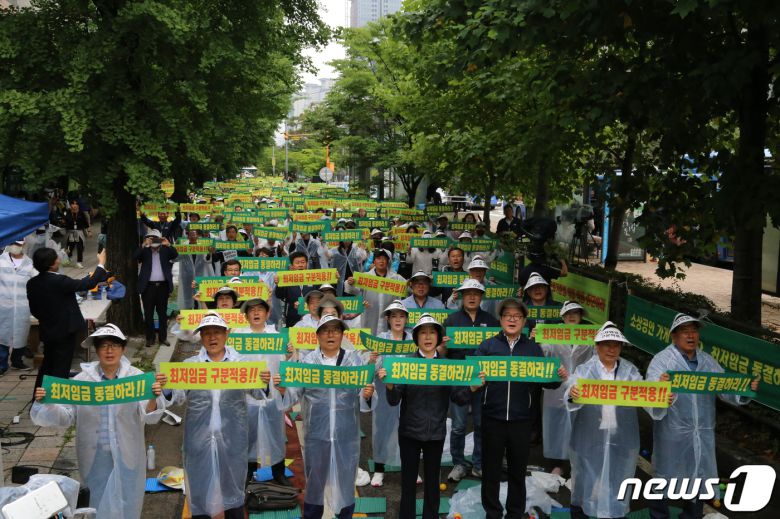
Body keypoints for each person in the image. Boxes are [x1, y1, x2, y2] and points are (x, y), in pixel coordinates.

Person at [31, 324, 166, 519]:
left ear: (123, 348)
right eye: (103, 346)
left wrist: (153, 396)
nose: (109, 351)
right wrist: (48, 402)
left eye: (114, 345)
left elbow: (149, 415)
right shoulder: (82, 380)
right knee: (97, 504)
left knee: (128, 502)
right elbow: (67, 416)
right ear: (96, 349)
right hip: (94, 457)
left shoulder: (136, 378)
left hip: (128, 455)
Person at [645, 313, 759, 519]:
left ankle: (691, 516)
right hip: (673, 433)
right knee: (663, 477)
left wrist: (744, 388)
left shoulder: (707, 362)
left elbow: (726, 388)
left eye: (694, 331)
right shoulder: (662, 361)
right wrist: (660, 391)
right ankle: (658, 515)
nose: (691, 336)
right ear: (674, 336)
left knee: (698, 475)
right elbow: (649, 393)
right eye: (685, 331)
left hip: (702, 432)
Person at [472, 298, 568, 519]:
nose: (512, 319)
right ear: (501, 320)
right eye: (507, 316)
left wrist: (559, 376)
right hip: (492, 418)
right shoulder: (488, 346)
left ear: (524, 321)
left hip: (521, 420)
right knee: (491, 470)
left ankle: (515, 513)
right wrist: (475, 382)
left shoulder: (532, 348)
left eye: (517, 316)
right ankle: (493, 513)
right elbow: (472, 377)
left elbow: (548, 381)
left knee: (517, 471)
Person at [163, 312, 265, 519]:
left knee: (233, 491)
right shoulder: (191, 366)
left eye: (217, 332)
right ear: (201, 337)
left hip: (232, 439)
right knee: (200, 491)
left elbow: (259, 392)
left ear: (226, 334)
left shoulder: (241, 363)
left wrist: (266, 381)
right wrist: (164, 387)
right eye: (207, 333)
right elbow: (177, 396)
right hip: (199, 440)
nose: (212, 338)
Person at [273, 315, 375, 519]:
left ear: (342, 334)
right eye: (326, 330)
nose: (331, 334)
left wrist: (367, 394)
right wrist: (283, 390)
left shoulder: (353, 360)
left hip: (346, 435)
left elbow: (364, 396)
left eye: (336, 330)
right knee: (315, 481)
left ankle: (344, 515)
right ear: (317, 335)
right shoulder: (308, 362)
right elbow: (294, 393)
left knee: (346, 481)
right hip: (317, 434)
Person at [380, 313, 476, 519]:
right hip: (409, 432)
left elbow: (459, 398)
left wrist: (471, 387)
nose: (428, 337)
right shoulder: (406, 364)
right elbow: (394, 399)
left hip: (436, 433)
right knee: (408, 482)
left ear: (439, 337)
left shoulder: (447, 365)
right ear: (416, 338)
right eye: (423, 333)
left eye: (432, 332)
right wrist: (389, 385)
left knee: (432, 482)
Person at [564, 322, 645, 519]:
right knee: (584, 479)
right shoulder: (585, 370)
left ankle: (616, 514)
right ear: (597, 346)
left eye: (616, 345)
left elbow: (645, 393)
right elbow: (571, 389)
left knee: (619, 479)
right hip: (590, 434)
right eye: (606, 344)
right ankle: (579, 512)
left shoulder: (629, 371)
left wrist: (663, 396)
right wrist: (573, 393)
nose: (611, 349)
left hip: (621, 435)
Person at [442, 278, 499, 481]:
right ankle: (458, 463)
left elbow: (498, 350)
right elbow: (441, 353)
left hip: (484, 381)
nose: (472, 297)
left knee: (481, 424)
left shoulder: (492, 322)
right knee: (458, 425)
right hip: (458, 379)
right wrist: (443, 345)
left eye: (476, 294)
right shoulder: (451, 321)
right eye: (468, 294)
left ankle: (478, 464)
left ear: (481, 296)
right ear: (462, 297)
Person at [28, 247, 108, 390]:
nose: (59, 259)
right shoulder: (59, 281)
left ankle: (38, 397)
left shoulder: (33, 283)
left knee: (47, 365)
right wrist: (101, 263)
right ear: (52, 264)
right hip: (64, 331)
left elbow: (34, 309)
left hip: (47, 330)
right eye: (57, 258)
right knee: (61, 367)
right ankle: (57, 401)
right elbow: (87, 285)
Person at [234, 298, 290, 486]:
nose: (256, 313)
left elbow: (286, 365)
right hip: (247, 397)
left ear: (267, 314)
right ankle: (249, 471)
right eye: (252, 310)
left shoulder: (277, 336)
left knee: (276, 435)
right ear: (246, 315)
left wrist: (290, 354)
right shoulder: (238, 337)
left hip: (272, 395)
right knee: (247, 435)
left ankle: (278, 472)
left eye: (260, 310)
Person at [539, 301, 592, 477]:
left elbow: (596, 359)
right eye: (568, 313)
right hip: (556, 389)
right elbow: (544, 352)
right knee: (555, 426)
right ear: (562, 316)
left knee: (580, 427)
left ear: (580, 316)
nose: (571, 316)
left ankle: (577, 464)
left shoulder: (588, 335)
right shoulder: (553, 332)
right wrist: (538, 340)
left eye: (575, 313)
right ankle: (557, 463)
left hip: (580, 389)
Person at [370, 300, 412, 487]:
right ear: (388, 319)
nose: (397, 320)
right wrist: (375, 361)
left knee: (409, 430)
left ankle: (410, 468)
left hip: (410, 393)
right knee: (382, 429)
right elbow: (375, 368)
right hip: (385, 391)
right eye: (393, 316)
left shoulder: (412, 339)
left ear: (406, 319)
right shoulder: (381, 338)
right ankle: (379, 468)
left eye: (401, 316)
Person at [344, 248, 407, 335]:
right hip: (369, 315)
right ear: (374, 261)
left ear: (388, 261)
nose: (381, 261)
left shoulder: (396, 278)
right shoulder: (365, 277)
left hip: (389, 317)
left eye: (384, 259)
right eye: (378, 258)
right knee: (370, 342)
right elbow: (352, 290)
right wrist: (350, 283)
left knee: (387, 340)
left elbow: (409, 288)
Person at [134, 229, 178, 347]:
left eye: (156, 238)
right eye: (151, 238)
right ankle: (150, 338)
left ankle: (163, 338)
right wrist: (144, 244)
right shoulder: (145, 251)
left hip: (162, 287)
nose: (154, 241)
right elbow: (135, 256)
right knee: (148, 314)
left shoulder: (165, 251)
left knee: (162, 314)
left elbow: (176, 255)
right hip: (148, 287)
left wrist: (168, 244)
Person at [0, 240, 36, 373]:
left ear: (24, 245)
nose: (17, 246)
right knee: (2, 334)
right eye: (14, 243)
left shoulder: (29, 263)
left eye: (19, 244)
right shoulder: (1, 261)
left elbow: (37, 281)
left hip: (22, 306)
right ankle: (2, 365)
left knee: (21, 334)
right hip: (3, 306)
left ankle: (17, 361)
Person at [274, 250, 317, 327]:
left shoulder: (314, 278)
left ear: (307, 264)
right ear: (292, 266)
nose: (300, 265)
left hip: (312, 316)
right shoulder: (286, 279)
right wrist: (278, 285)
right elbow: (279, 295)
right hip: (292, 316)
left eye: (303, 262)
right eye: (297, 263)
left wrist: (334, 277)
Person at [176, 229, 214, 311]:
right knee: (187, 296)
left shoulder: (203, 246)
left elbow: (207, 260)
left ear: (198, 236)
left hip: (200, 275)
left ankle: (199, 312)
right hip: (186, 276)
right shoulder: (183, 246)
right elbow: (176, 259)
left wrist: (210, 253)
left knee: (199, 295)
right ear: (188, 236)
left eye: (194, 235)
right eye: (191, 235)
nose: (193, 236)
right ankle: (188, 313)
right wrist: (175, 250)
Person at [63, 199, 91, 268]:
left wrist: (89, 231)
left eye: (76, 204)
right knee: (69, 247)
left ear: (78, 205)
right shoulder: (68, 212)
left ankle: (79, 262)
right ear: (71, 205)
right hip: (70, 232)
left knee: (80, 247)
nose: (74, 205)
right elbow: (65, 222)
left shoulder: (81, 213)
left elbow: (86, 223)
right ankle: (69, 258)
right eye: (73, 204)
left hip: (79, 232)